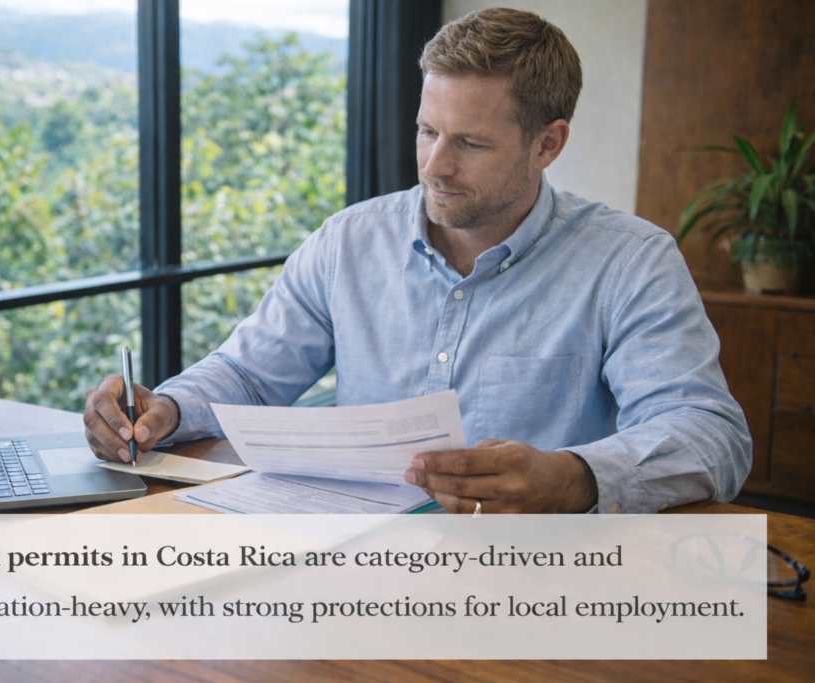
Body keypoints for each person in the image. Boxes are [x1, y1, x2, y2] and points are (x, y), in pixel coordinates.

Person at [83, 8, 752, 514]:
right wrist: (167, 405)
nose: (435, 165)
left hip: (537, 578)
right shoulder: (347, 242)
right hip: (356, 560)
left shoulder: (631, 263)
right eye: (427, 131)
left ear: (548, 144)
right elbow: (249, 372)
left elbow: (710, 432)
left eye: (470, 143)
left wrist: (575, 476)